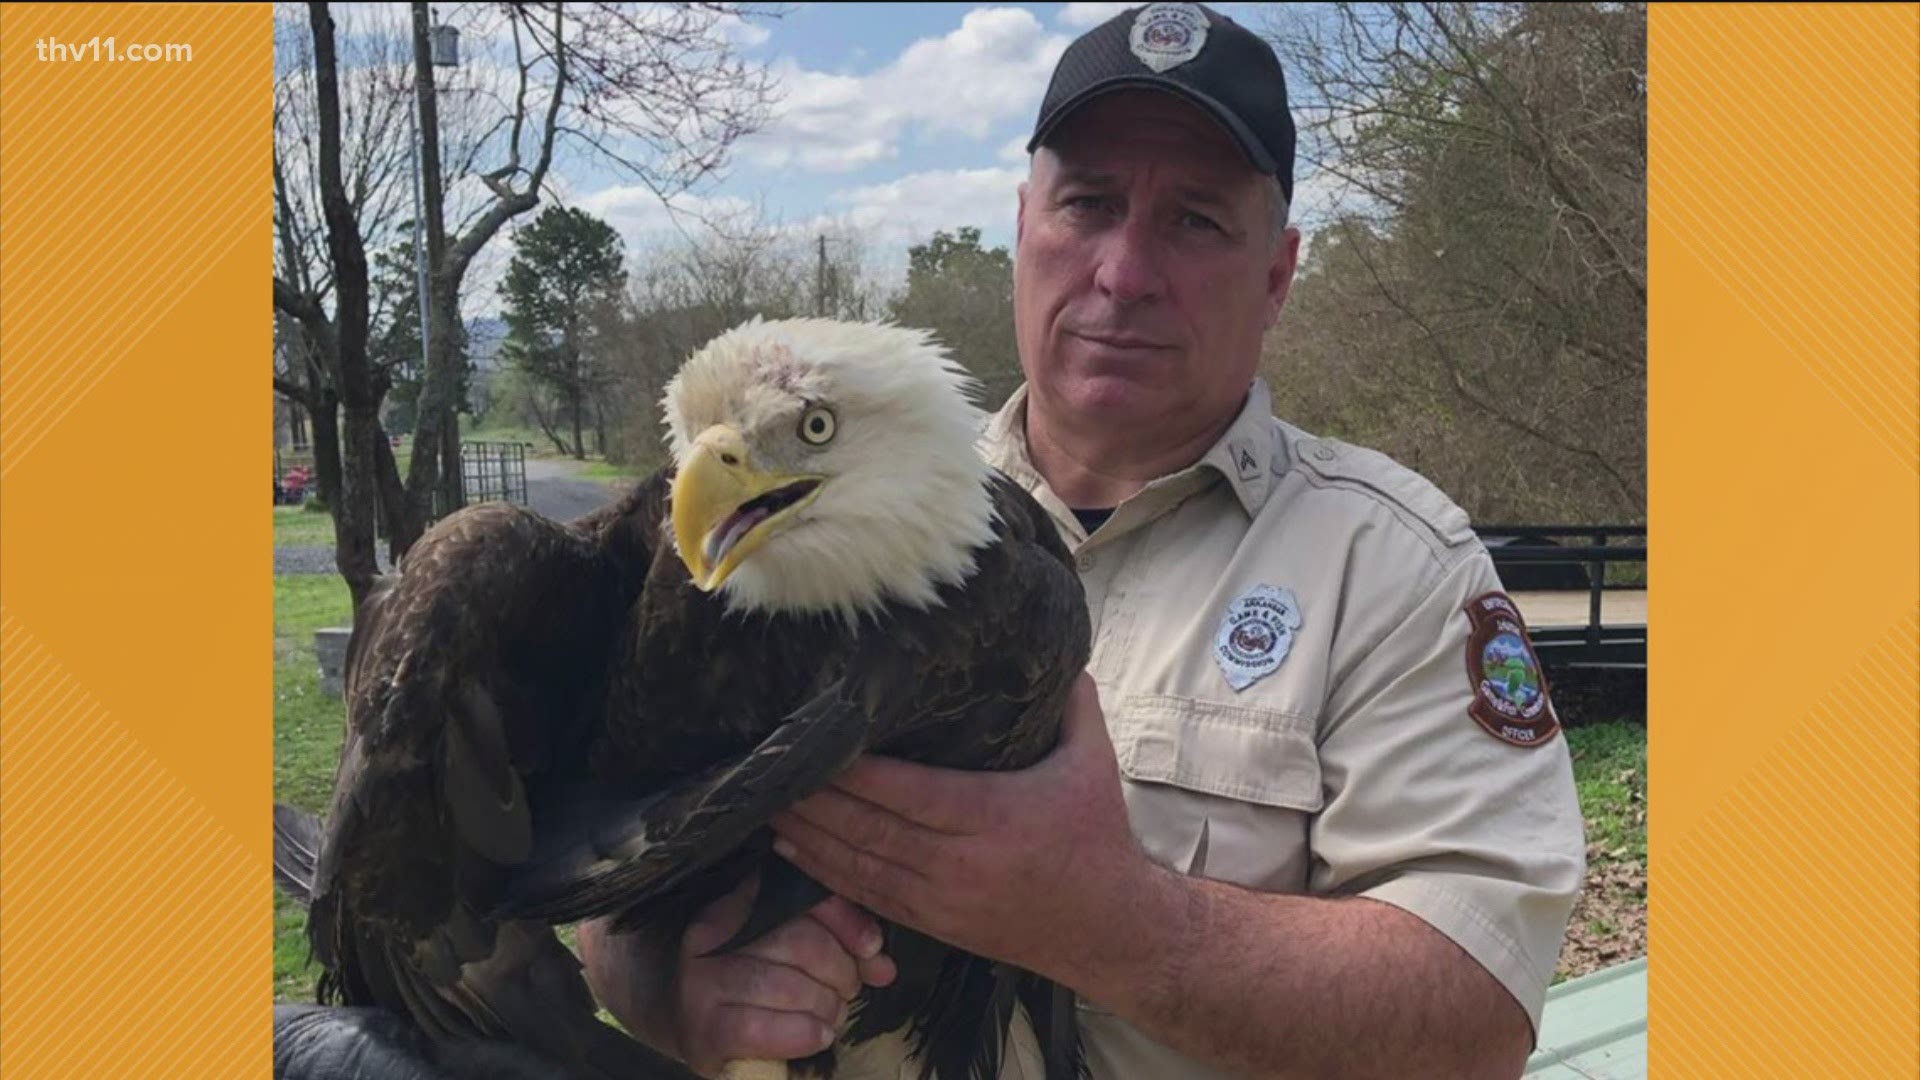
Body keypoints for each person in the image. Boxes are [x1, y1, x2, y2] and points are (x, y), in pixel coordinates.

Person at [578, 4, 1586, 1077]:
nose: (1123, 273)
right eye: (1089, 205)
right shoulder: (795, 512)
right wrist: (676, 995)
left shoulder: (1394, 569)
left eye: (1195, 220)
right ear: (1025, 226)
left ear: (1280, 272)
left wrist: (1118, 925)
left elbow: (1476, 1018)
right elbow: (617, 868)